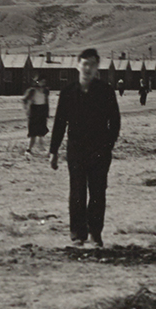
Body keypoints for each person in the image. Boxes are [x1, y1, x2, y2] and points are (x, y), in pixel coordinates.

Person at [49, 48, 121, 249]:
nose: (88, 68)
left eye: (92, 64)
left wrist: (108, 146)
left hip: (100, 152)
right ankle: (77, 234)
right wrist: (53, 151)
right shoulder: (68, 93)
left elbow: (114, 122)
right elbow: (60, 123)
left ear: (98, 66)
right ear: (77, 65)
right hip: (76, 151)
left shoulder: (106, 91)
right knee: (77, 192)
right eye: (84, 63)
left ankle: (95, 234)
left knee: (98, 193)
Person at [21, 78, 50, 155]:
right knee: (33, 132)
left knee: (41, 131)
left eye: (44, 81)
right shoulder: (32, 90)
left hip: (42, 110)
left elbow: (46, 102)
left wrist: (47, 112)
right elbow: (24, 100)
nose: (42, 83)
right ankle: (29, 149)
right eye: (41, 81)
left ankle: (42, 148)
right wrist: (27, 108)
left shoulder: (46, 90)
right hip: (34, 110)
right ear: (37, 82)